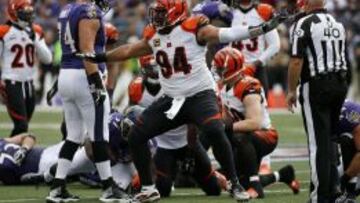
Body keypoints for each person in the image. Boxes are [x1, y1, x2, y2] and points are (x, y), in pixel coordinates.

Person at [78, 0, 286, 201]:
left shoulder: (194, 28)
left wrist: (259, 29)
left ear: (175, 13)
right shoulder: (153, 35)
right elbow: (130, 50)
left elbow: (226, 33)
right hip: (172, 100)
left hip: (200, 95)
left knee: (214, 129)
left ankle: (234, 182)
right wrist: (101, 57)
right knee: (136, 136)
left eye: (161, 12)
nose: (156, 17)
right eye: (156, 12)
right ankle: (149, 189)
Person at [46, 0, 131, 202]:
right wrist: (95, 83)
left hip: (66, 74)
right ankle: (109, 188)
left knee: (73, 136)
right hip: (85, 75)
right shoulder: (90, 12)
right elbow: (86, 51)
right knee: (99, 135)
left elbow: (71, 49)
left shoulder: (68, 10)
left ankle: (57, 188)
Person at [128, 56, 226, 197]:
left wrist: (190, 153)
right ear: (143, 68)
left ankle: (213, 174)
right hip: (162, 146)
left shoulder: (176, 84)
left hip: (186, 141)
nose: (155, 72)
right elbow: (134, 122)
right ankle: (148, 176)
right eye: (151, 67)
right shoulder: (136, 88)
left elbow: (192, 120)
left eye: (157, 67)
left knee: (214, 189)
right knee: (163, 189)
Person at [211, 47, 300, 199]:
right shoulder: (224, 87)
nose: (217, 71)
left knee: (237, 135)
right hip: (245, 137)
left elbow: (255, 123)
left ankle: (256, 187)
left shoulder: (248, 86)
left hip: (265, 135)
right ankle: (284, 174)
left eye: (221, 68)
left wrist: (225, 127)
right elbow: (227, 118)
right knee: (232, 177)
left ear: (231, 68)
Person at [286, 0, 350, 202]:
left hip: (317, 85)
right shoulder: (337, 23)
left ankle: (319, 196)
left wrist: (290, 90)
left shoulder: (304, 24)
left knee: (317, 144)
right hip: (340, 83)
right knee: (330, 140)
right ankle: (334, 190)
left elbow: (296, 60)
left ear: (305, 4)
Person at [0, 0, 52, 137]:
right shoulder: (4, 32)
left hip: (29, 84)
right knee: (21, 125)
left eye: (30, 11)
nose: (28, 15)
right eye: (25, 12)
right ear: (14, 13)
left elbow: (48, 59)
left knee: (23, 127)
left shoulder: (36, 31)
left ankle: (7, 151)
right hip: (11, 82)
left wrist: (34, 39)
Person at [334, 101, 360, 203]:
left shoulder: (350, 119)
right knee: (330, 181)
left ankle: (350, 193)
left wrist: (344, 180)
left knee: (346, 141)